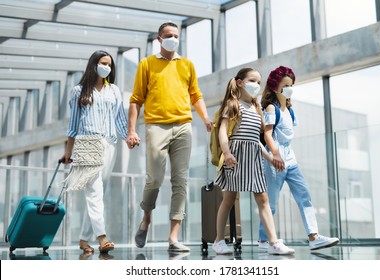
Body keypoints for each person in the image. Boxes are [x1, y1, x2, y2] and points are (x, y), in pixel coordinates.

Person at [126, 22, 211, 252]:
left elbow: (196, 95)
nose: (173, 38)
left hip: (184, 126)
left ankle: (173, 237)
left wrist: (205, 118)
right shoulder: (147, 64)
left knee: (180, 180)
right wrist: (131, 130)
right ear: (159, 39)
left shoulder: (187, 65)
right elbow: (135, 100)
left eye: (176, 35)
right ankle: (146, 218)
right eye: (168, 35)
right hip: (156, 127)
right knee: (154, 178)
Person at [212, 67, 295, 255]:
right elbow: (223, 132)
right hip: (235, 156)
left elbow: (256, 141)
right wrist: (227, 153)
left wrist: (271, 158)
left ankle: (273, 242)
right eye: (252, 81)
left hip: (254, 158)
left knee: (263, 198)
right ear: (240, 83)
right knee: (229, 199)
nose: (256, 85)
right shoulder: (232, 105)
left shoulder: (257, 108)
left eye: (259, 82)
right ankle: (218, 240)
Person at [258, 65, 339, 250]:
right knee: (270, 202)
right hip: (274, 161)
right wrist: (275, 155)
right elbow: (267, 134)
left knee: (304, 195)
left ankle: (314, 237)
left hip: (291, 161)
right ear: (274, 86)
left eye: (291, 84)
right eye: (285, 84)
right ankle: (264, 240)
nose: (289, 88)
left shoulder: (289, 109)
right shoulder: (271, 108)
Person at [61, 50, 128, 255]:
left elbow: (120, 119)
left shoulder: (114, 90)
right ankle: (102, 237)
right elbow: (72, 126)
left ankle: (83, 239)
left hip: (109, 145)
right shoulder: (78, 91)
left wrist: (129, 136)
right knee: (94, 192)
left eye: (109, 64)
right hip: (86, 144)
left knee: (98, 194)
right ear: (94, 65)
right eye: (103, 63)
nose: (106, 67)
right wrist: (68, 152)